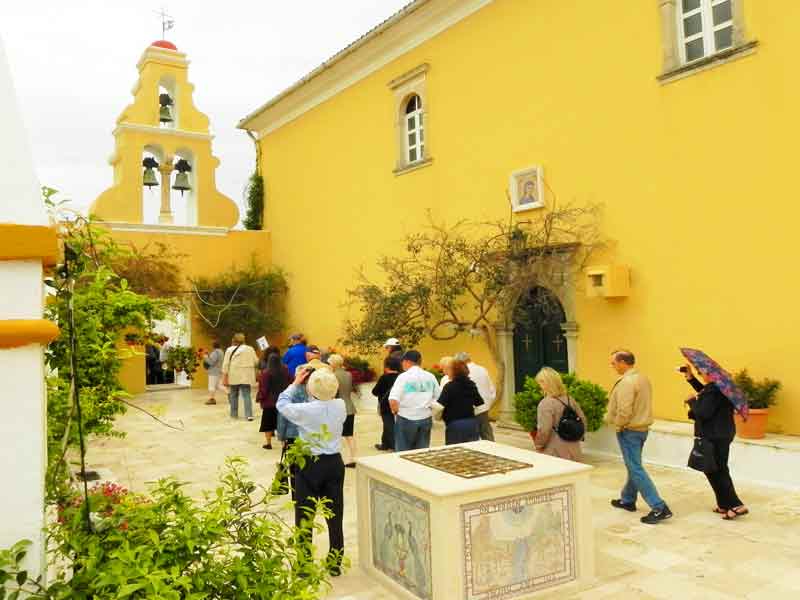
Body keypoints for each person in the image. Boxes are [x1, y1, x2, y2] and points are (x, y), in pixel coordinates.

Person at [277, 366, 347, 576]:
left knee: (305, 514)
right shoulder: (340, 405)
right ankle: (335, 562)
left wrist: (295, 382)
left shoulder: (305, 410)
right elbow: (325, 399)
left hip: (309, 464)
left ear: (310, 389)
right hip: (334, 463)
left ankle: (304, 563)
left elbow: (282, 403)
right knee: (335, 514)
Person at [606, 350, 673, 524]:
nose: (612, 366)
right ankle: (628, 500)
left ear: (622, 362)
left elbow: (625, 410)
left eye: (613, 363)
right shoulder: (642, 378)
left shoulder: (627, 382)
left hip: (629, 430)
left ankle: (659, 507)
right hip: (641, 429)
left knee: (635, 468)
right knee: (633, 465)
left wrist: (619, 425)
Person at [681, 363, 749, 520]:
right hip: (722, 434)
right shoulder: (719, 388)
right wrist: (690, 378)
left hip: (714, 436)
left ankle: (736, 505)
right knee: (715, 469)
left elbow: (703, 412)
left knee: (716, 470)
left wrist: (691, 401)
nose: (700, 375)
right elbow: (705, 394)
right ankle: (725, 504)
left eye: (700, 372)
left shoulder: (714, 390)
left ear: (709, 374)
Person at [388, 350, 440, 451]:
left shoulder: (403, 377)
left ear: (407, 361)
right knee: (421, 452)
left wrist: (395, 412)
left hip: (406, 417)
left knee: (403, 453)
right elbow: (438, 397)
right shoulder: (430, 376)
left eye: (402, 361)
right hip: (425, 417)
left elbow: (393, 400)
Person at [533, 367, 587, 461]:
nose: (539, 385)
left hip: (554, 451)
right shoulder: (569, 399)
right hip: (574, 449)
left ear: (545, 383)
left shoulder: (545, 403)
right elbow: (583, 420)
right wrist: (577, 437)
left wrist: (539, 445)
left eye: (540, 382)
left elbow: (544, 430)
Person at [436, 359, 483, 444]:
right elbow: (479, 403)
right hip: (471, 423)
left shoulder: (449, 387)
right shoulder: (471, 384)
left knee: (455, 452)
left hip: (455, 424)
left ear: (454, 371)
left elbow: (439, 406)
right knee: (471, 451)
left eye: (449, 369)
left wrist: (437, 417)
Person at [454, 352, 497, 441]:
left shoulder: (461, 372)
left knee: (470, 439)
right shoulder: (482, 369)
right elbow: (492, 390)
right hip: (483, 409)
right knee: (487, 436)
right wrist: (487, 405)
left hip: (468, 411)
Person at [328, 354, 357, 468]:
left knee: (336, 435)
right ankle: (352, 457)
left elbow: (333, 393)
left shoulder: (333, 376)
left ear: (333, 364)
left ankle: (337, 459)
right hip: (349, 406)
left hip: (338, 408)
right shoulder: (348, 374)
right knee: (349, 435)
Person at [221, 333, 259, 421]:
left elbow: (226, 364)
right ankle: (249, 415)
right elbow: (256, 362)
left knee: (233, 394)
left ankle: (234, 415)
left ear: (234, 340)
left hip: (234, 374)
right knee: (247, 395)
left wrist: (224, 375)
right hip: (246, 375)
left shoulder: (229, 350)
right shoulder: (250, 349)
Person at [257, 353, 289, 449]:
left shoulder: (266, 373)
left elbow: (264, 388)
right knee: (282, 423)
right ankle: (284, 444)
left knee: (268, 424)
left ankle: (268, 443)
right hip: (283, 401)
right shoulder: (285, 370)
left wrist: (260, 397)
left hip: (269, 403)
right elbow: (290, 381)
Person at [372, 355, 402, 451]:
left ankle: (394, 446)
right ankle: (385, 443)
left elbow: (375, 392)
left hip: (385, 405)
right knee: (388, 425)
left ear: (387, 367)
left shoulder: (384, 378)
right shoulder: (401, 377)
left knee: (389, 425)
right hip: (398, 404)